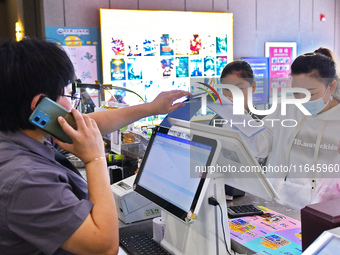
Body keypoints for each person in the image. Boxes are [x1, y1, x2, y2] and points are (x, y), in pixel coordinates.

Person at [0, 38, 190, 255]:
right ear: (41, 105)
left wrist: (151, 108)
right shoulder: (26, 179)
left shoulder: (18, 135)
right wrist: (95, 159)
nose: (72, 105)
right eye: (68, 94)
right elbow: (104, 247)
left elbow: (88, 124)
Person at [246, 51, 340, 210]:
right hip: (275, 203)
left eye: (310, 93)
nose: (302, 100)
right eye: (296, 92)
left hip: (322, 211)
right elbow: (260, 146)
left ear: (331, 86)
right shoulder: (286, 108)